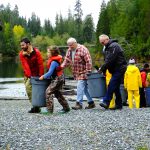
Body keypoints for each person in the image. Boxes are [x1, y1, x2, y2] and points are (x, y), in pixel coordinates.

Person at [61, 37, 95, 110]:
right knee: (84, 89)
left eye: (71, 45)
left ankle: (79, 103)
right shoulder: (69, 50)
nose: (70, 47)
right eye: (68, 45)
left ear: (75, 43)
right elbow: (66, 60)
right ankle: (91, 103)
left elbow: (88, 61)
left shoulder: (83, 49)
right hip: (76, 72)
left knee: (79, 86)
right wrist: (61, 67)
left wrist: (88, 71)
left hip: (84, 72)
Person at [99, 34, 127, 110]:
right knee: (115, 87)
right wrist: (104, 70)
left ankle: (106, 101)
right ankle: (119, 105)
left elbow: (110, 60)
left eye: (103, 42)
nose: (102, 44)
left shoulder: (114, 46)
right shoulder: (107, 47)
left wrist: (102, 69)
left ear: (107, 39)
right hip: (114, 69)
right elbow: (107, 60)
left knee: (111, 84)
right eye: (101, 42)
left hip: (119, 68)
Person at [39, 46, 70, 113]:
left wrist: (43, 77)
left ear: (52, 53)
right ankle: (66, 108)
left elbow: (50, 73)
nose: (47, 53)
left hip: (58, 79)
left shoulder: (54, 62)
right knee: (57, 93)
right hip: (60, 78)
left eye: (48, 52)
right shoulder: (54, 60)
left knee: (48, 92)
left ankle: (49, 110)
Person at [19, 37, 44, 113]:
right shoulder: (21, 54)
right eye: (21, 45)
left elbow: (40, 64)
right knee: (28, 89)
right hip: (28, 75)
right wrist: (30, 76)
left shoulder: (36, 52)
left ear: (28, 44)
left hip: (37, 75)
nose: (22, 47)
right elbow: (25, 66)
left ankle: (37, 106)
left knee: (36, 91)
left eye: (23, 45)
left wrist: (41, 75)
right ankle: (35, 106)